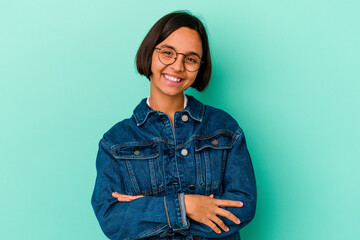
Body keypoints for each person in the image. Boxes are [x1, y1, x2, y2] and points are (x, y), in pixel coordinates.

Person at [91, 11, 256, 240]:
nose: (178, 66)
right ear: (150, 53)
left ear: (199, 67)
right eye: (168, 53)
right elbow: (112, 219)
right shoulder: (116, 141)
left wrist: (148, 210)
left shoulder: (224, 128)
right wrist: (185, 206)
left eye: (190, 59)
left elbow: (242, 207)